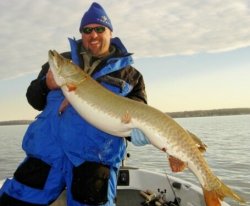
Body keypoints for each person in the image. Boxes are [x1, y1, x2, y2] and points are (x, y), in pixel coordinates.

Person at [0, 2, 149, 206]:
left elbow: (141, 116)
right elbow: (33, 99)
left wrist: (136, 132)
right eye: (87, 30)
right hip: (46, 156)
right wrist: (46, 84)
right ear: (81, 34)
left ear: (110, 32)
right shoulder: (62, 62)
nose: (93, 35)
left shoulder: (131, 76)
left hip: (94, 163)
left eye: (99, 29)